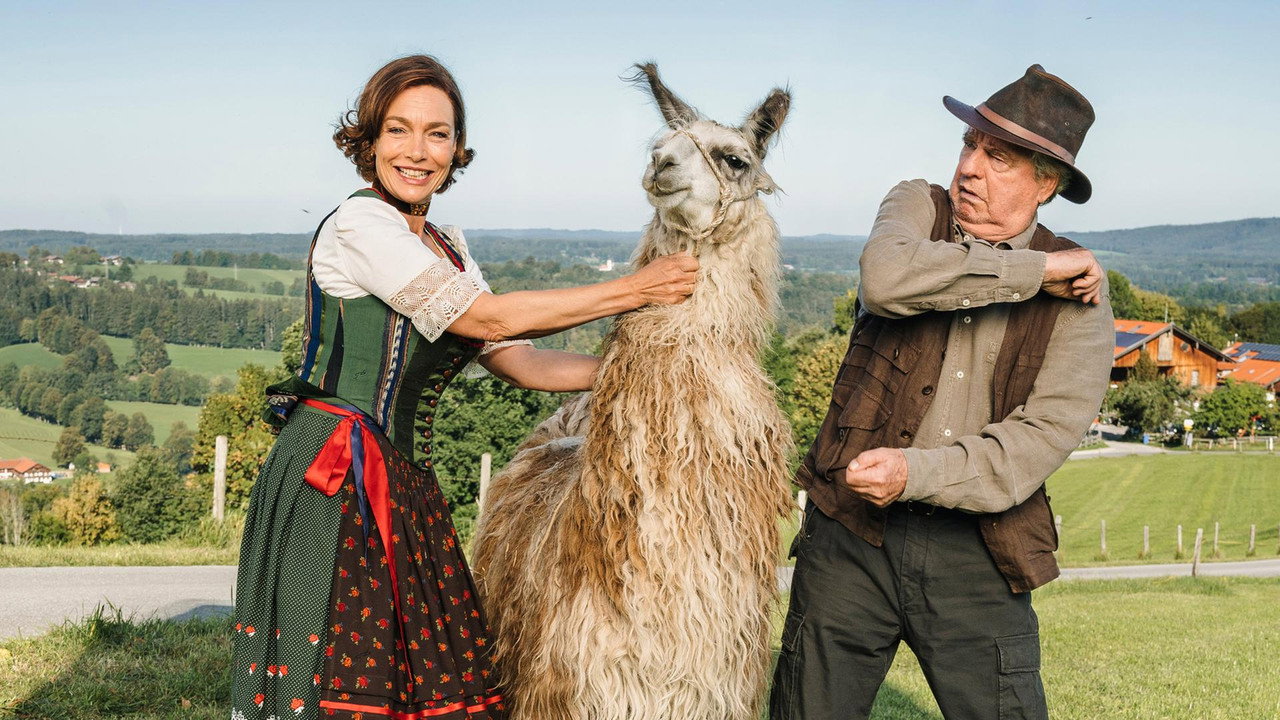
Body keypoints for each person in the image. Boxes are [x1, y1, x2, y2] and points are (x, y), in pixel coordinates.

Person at [229, 55, 698, 720]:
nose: (417, 151)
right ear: (368, 140)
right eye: (398, 130)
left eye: (437, 133)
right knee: (335, 666)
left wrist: (632, 370)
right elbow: (487, 317)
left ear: (457, 148)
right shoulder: (360, 225)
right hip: (335, 475)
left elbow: (519, 360)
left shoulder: (445, 247)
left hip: (403, 480)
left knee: (420, 671)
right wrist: (634, 290)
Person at [770, 65, 1114, 719]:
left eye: (1000, 157)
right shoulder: (916, 206)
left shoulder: (1085, 300)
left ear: (1047, 183)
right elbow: (887, 280)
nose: (970, 168)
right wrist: (1033, 271)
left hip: (978, 553)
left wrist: (913, 472)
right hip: (848, 540)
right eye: (970, 144)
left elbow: (1033, 445)